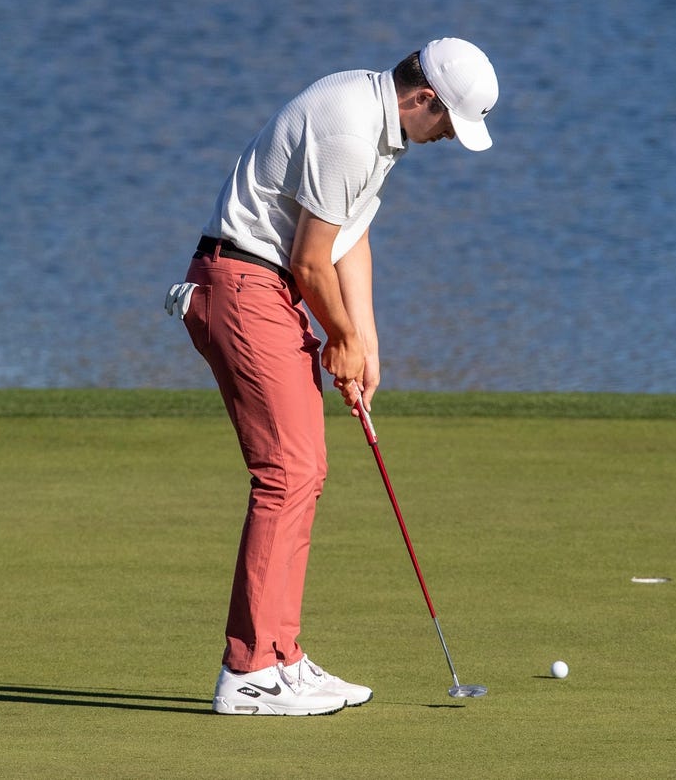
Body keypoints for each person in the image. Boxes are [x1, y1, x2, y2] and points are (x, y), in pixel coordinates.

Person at [166, 38, 499, 715]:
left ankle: (281, 658)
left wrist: (365, 341)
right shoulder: (351, 128)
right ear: (423, 98)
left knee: (303, 471)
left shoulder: (377, 120)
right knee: (287, 472)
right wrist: (339, 336)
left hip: (267, 284)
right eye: (446, 123)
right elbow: (311, 260)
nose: (443, 139)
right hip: (245, 283)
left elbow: (349, 238)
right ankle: (250, 670)